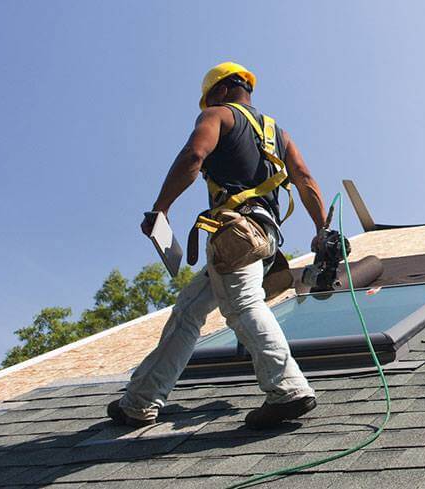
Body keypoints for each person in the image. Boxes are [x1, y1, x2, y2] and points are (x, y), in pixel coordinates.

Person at [108, 62, 328, 429]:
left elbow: (194, 156)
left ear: (223, 91)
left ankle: (288, 388)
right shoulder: (279, 133)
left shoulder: (218, 115)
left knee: (243, 304)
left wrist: (161, 209)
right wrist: (321, 229)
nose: (205, 106)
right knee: (189, 309)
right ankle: (139, 401)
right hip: (265, 237)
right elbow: (304, 178)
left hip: (237, 232)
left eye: (208, 98)